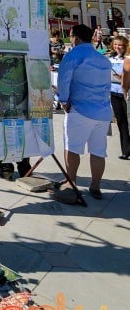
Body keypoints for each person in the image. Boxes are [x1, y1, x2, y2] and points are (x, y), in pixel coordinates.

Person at [57, 23, 112, 200]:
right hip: (102, 111)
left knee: (72, 147)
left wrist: (63, 100)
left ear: (76, 38)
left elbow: (63, 80)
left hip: (80, 109)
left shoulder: (73, 55)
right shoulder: (103, 59)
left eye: (71, 36)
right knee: (98, 151)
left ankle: (71, 182)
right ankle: (95, 186)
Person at [108, 35, 130, 160]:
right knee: (121, 122)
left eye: (120, 45)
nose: (117, 47)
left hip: (125, 92)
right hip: (114, 92)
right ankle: (125, 150)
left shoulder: (127, 59)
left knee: (128, 121)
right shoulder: (111, 59)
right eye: (115, 44)